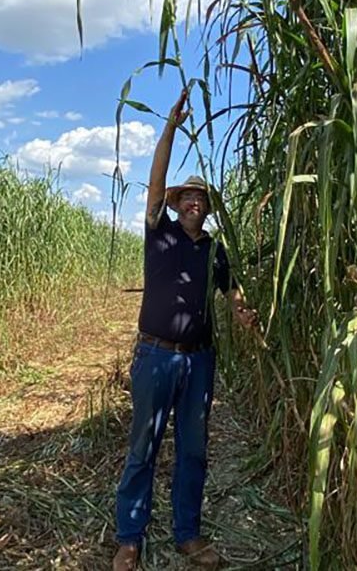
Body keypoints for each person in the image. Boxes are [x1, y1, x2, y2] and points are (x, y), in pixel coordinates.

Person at [112, 89, 256, 571]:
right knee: (143, 448)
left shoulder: (214, 249)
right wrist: (171, 127)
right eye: (187, 196)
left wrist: (244, 313)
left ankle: (188, 535)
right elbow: (155, 181)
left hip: (198, 361)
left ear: (207, 208)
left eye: (201, 198)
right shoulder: (160, 232)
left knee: (194, 450)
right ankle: (129, 538)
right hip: (155, 356)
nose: (194, 201)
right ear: (176, 204)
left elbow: (232, 291)